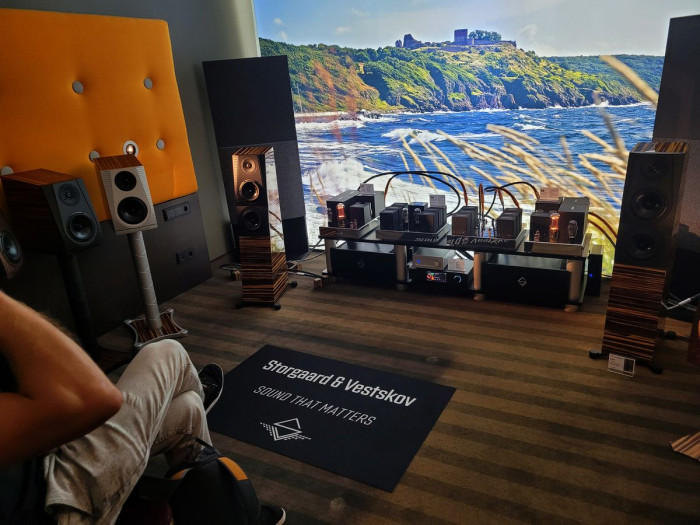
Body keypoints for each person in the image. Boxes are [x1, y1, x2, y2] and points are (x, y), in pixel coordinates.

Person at [0, 290, 285, 524]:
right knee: (166, 352)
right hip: (55, 501)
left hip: (45, 461)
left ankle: (230, 514)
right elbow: (88, 396)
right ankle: (194, 390)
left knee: (188, 409)